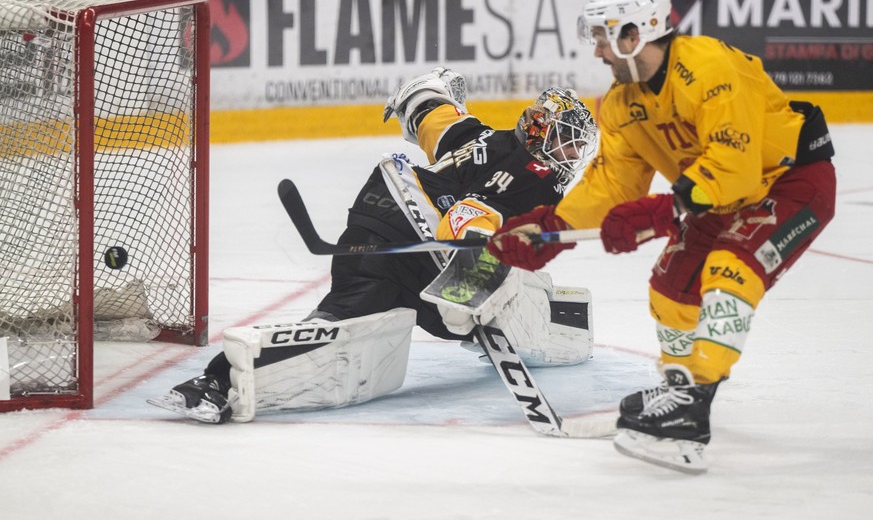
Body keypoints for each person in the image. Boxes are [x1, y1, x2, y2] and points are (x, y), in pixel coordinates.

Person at [487, 0, 836, 474]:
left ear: (636, 33)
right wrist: (550, 229)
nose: (598, 51)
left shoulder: (710, 67)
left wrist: (660, 213)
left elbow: (734, 167)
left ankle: (690, 412)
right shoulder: (623, 104)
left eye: (605, 37)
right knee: (672, 287)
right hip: (713, 199)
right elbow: (612, 184)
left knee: (730, 270)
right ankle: (680, 388)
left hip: (789, 183)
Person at [149, 67, 601, 424]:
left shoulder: (481, 136)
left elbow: (431, 114)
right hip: (422, 237)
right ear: (541, 132)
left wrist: (429, 94)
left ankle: (214, 382)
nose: (571, 155)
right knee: (487, 290)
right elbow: (468, 217)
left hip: (376, 214)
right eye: (567, 142)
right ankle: (471, 302)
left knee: (335, 325)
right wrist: (471, 281)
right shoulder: (536, 175)